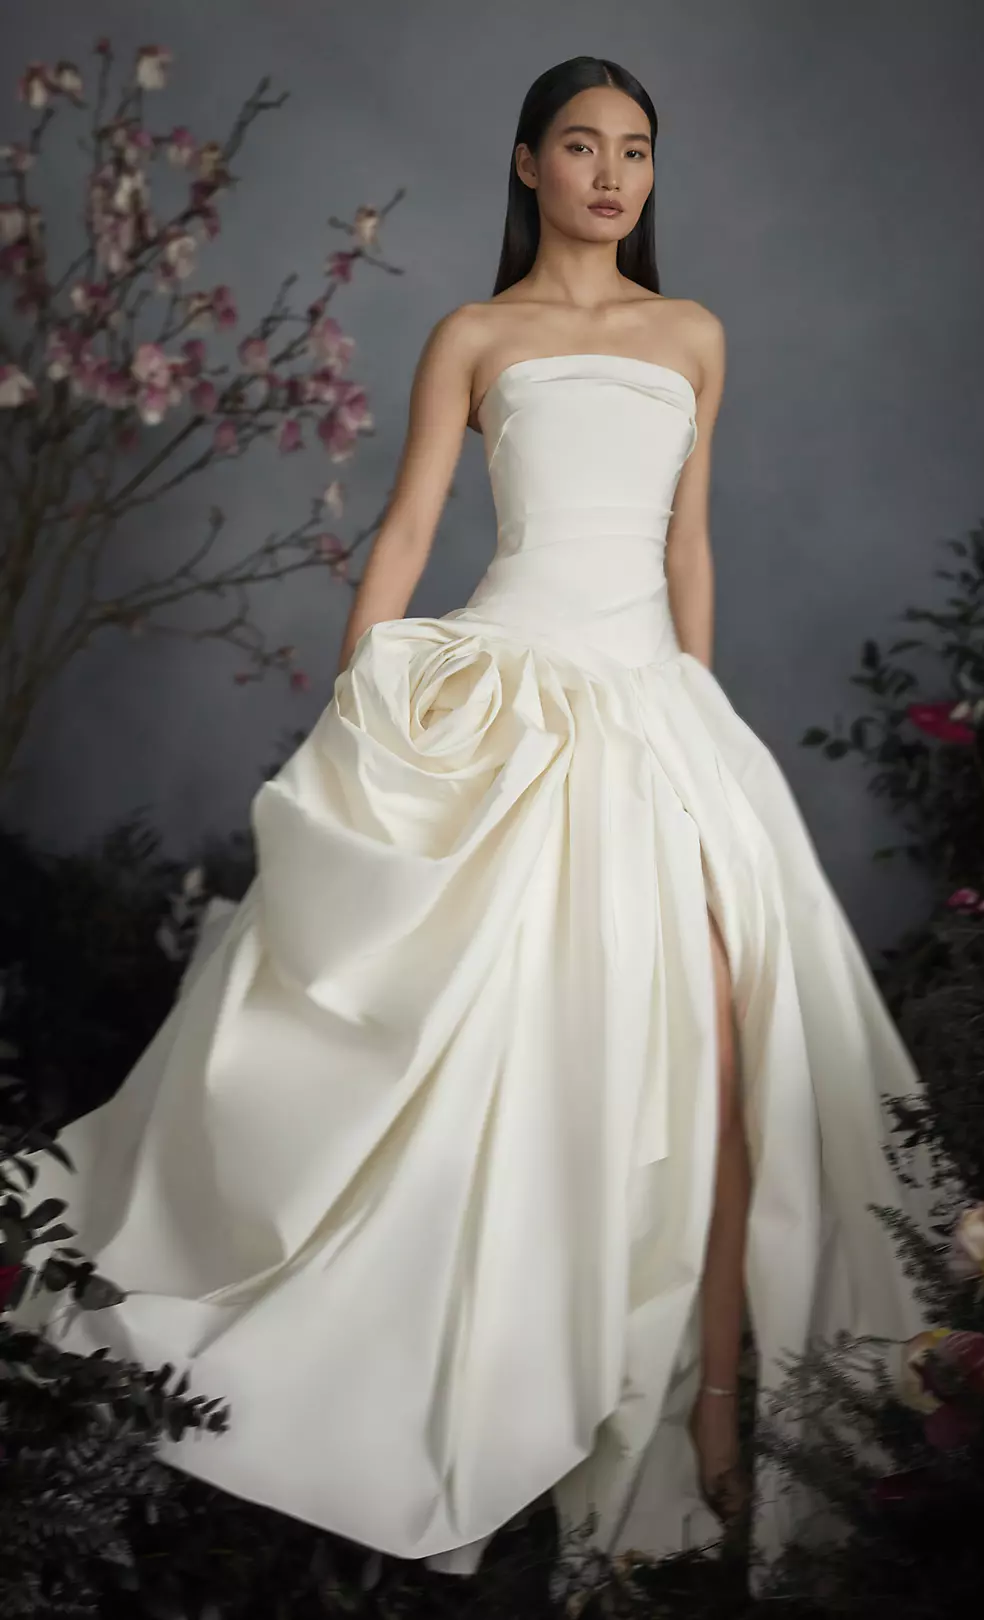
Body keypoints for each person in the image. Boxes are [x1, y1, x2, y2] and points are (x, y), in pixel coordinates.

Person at [33, 54, 931, 1607]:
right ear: (526, 166)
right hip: (508, 701)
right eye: (580, 147)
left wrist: (697, 725)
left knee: (726, 1068)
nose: (609, 174)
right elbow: (402, 537)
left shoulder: (695, 336)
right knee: (518, 1051)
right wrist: (354, 732)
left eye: (635, 151)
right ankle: (498, 1354)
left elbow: (688, 540)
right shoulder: (476, 333)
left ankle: (715, 1425)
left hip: (657, 718)